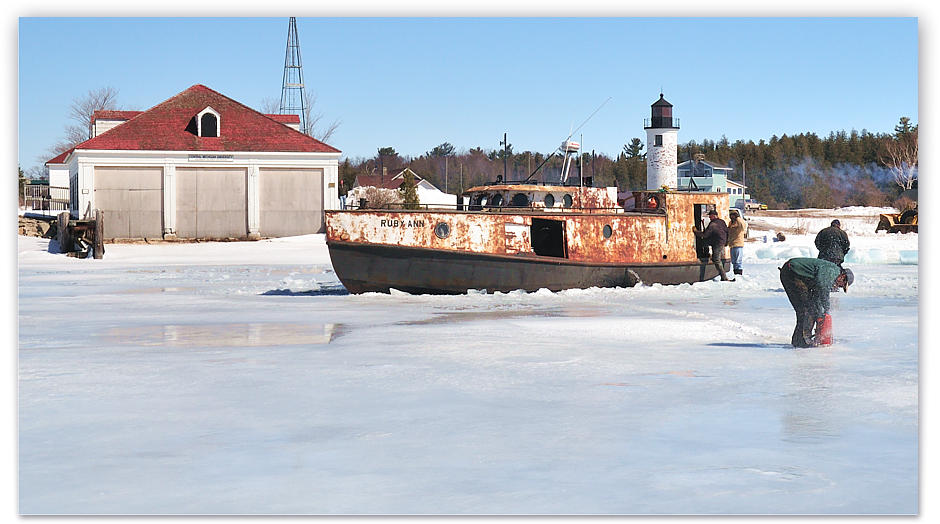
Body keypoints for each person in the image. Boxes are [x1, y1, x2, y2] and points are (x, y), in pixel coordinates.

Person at [779, 257, 854, 347]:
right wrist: (826, 311)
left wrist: (820, 314)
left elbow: (817, 295)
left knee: (811, 309)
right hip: (792, 272)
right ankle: (801, 341)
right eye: (842, 285)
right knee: (806, 310)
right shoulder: (832, 271)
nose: (838, 287)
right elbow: (822, 288)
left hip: (793, 273)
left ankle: (802, 339)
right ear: (843, 277)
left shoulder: (831, 273)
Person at [694, 209, 732, 281]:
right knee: (706, 246)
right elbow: (727, 231)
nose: (709, 218)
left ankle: (724, 277)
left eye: (710, 216)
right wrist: (727, 241)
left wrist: (696, 232)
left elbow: (705, 235)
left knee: (716, 259)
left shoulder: (713, 224)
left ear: (714, 216)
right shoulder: (722, 221)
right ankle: (707, 254)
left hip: (717, 243)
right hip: (721, 241)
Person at [727, 209, 748, 275]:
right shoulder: (730, 223)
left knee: (738, 261)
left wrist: (738, 218)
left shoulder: (740, 223)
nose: (731, 217)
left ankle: (739, 273)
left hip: (738, 244)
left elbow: (743, 226)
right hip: (732, 244)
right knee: (733, 261)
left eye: (732, 216)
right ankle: (735, 273)